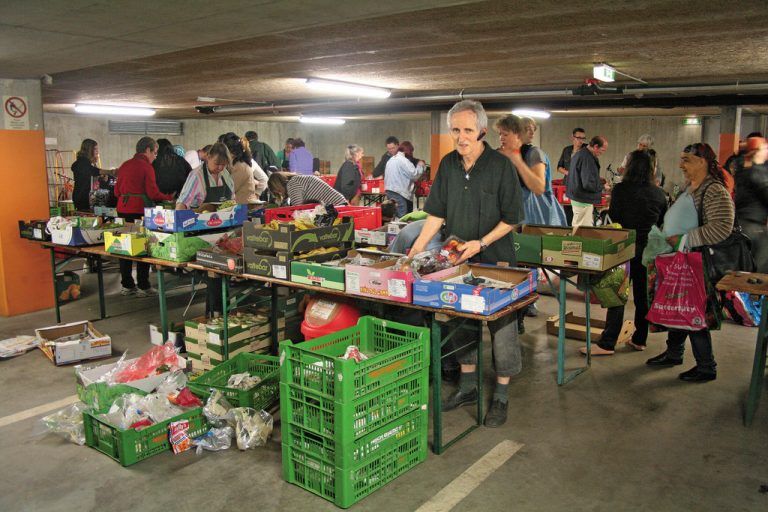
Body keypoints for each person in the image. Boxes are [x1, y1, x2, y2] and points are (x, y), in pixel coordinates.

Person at [410, 100, 524, 427]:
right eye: (456, 130)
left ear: (482, 131)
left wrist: (481, 243)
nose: (461, 137)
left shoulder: (501, 167)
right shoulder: (448, 164)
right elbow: (436, 213)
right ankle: (469, 385)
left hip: (496, 260)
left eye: (468, 130)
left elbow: (512, 219)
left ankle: (501, 395)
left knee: (502, 327)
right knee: (460, 320)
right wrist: (415, 250)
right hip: (457, 259)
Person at [646, 142, 734, 382]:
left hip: (697, 261)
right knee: (678, 306)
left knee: (694, 312)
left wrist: (685, 239)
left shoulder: (714, 190)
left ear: (702, 161)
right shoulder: (691, 186)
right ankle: (674, 353)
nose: (681, 165)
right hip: (681, 258)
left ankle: (706, 366)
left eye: (687, 160)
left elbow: (722, 226)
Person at [579, 150, 667, 355]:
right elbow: (662, 222)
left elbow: (615, 218)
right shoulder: (659, 193)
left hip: (624, 248)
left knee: (617, 295)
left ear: (630, 167)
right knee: (642, 297)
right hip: (648, 251)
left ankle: (607, 343)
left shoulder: (620, 190)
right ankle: (639, 339)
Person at [115, 137, 174, 297]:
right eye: (155, 152)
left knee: (125, 247)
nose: (155, 156)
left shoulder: (124, 165)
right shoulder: (147, 167)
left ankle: (127, 285)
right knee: (143, 247)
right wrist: (168, 197)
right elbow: (153, 193)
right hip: (139, 210)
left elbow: (116, 191)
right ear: (147, 150)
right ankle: (143, 285)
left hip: (122, 210)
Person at [734, 136, 768, 272]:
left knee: (744, 268)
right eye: (765, 148)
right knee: (759, 271)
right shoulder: (758, 173)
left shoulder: (743, 169)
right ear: (757, 151)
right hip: (754, 228)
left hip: (742, 225)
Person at [566, 135, 609, 226]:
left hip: (576, 197)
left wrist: (597, 179)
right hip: (583, 200)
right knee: (583, 229)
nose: (602, 153)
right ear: (596, 146)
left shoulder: (580, 154)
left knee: (577, 225)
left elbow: (581, 176)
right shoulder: (587, 159)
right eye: (602, 150)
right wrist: (602, 187)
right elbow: (588, 184)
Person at [176, 143, 234, 210]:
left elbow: (232, 199)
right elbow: (182, 202)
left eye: (223, 164)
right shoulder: (196, 176)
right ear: (208, 157)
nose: (220, 168)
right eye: (217, 163)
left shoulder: (225, 174)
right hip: (200, 216)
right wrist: (179, 215)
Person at [384, 142, 425, 217]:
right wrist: (420, 166)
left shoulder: (391, 160)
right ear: (408, 151)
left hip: (390, 191)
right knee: (402, 217)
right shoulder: (404, 160)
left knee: (396, 215)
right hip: (399, 192)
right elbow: (415, 175)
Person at [218, 132, 259, 204]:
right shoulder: (235, 164)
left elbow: (228, 191)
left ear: (231, 152)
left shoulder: (240, 167)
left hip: (242, 207)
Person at [267, 172, 347, 206]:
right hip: (340, 203)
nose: (280, 193)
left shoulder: (292, 184)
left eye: (279, 191)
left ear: (279, 186)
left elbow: (298, 208)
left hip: (337, 206)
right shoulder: (297, 179)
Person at [72, 138, 104, 212]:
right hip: (83, 198)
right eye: (95, 149)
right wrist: (109, 172)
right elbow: (92, 171)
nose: (97, 151)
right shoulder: (82, 163)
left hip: (87, 197)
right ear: (89, 150)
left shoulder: (88, 162)